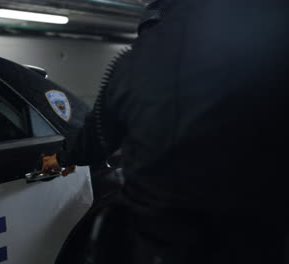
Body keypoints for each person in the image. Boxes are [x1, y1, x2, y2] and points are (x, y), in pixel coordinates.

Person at [45, 0, 289, 263]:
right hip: (245, 231)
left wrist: (61, 159)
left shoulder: (130, 65)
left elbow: (98, 138)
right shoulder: (255, 53)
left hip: (156, 235)